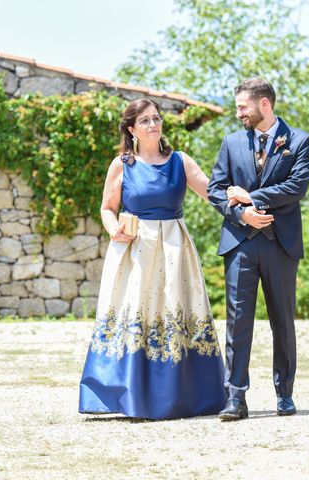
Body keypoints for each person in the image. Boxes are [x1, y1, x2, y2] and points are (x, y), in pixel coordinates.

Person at [79, 99, 226, 420]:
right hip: (134, 250)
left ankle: (184, 395)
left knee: (175, 310)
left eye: (156, 118)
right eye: (145, 121)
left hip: (175, 248)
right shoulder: (121, 165)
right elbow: (107, 207)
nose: (153, 124)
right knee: (136, 313)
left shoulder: (180, 161)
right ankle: (127, 394)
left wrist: (244, 199)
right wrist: (113, 228)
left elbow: (214, 192)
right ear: (131, 129)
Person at [207, 77, 309, 420]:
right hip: (240, 243)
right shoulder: (231, 142)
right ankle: (235, 398)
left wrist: (253, 197)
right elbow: (215, 189)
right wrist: (242, 213)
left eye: (243, 106)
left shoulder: (299, 141)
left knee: (282, 321)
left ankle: (284, 394)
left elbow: (297, 186)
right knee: (237, 322)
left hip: (281, 245)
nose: (238, 113)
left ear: (263, 104)